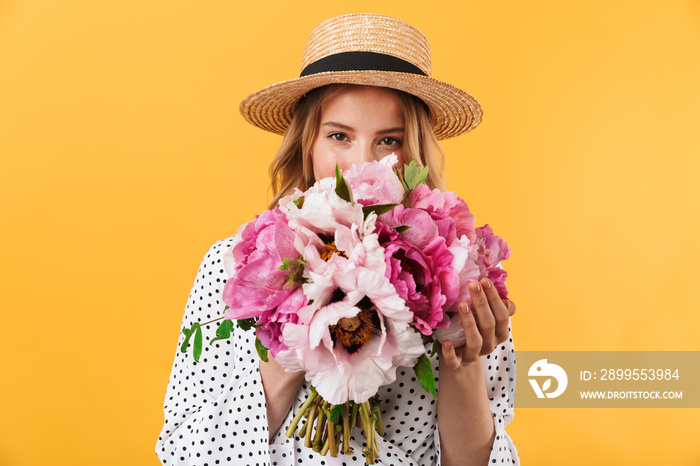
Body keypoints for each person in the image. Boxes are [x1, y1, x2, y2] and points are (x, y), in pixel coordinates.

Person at [157, 13, 519, 466]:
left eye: (389, 140)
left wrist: (462, 364)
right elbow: (188, 455)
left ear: (417, 152)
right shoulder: (239, 267)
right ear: (307, 143)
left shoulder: (455, 272)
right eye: (339, 136)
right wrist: (290, 348)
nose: (361, 165)